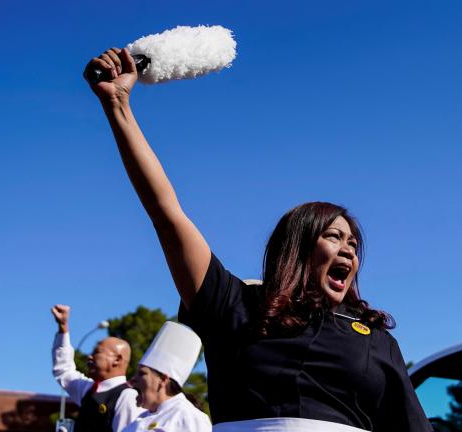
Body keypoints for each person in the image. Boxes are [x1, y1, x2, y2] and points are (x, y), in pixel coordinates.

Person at [84, 48, 431, 431]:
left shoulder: (375, 338)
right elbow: (167, 214)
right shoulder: (234, 305)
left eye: (353, 244)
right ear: (297, 248)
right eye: (334, 236)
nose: (349, 249)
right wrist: (118, 106)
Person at [51, 304, 145, 432]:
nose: (90, 357)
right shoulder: (88, 389)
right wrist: (63, 328)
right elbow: (63, 370)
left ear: (117, 360)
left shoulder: (128, 397)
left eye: (97, 352)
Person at [122, 321, 211, 432]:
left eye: (142, 373)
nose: (133, 379)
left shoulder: (190, 417)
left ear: (163, 380)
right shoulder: (137, 421)